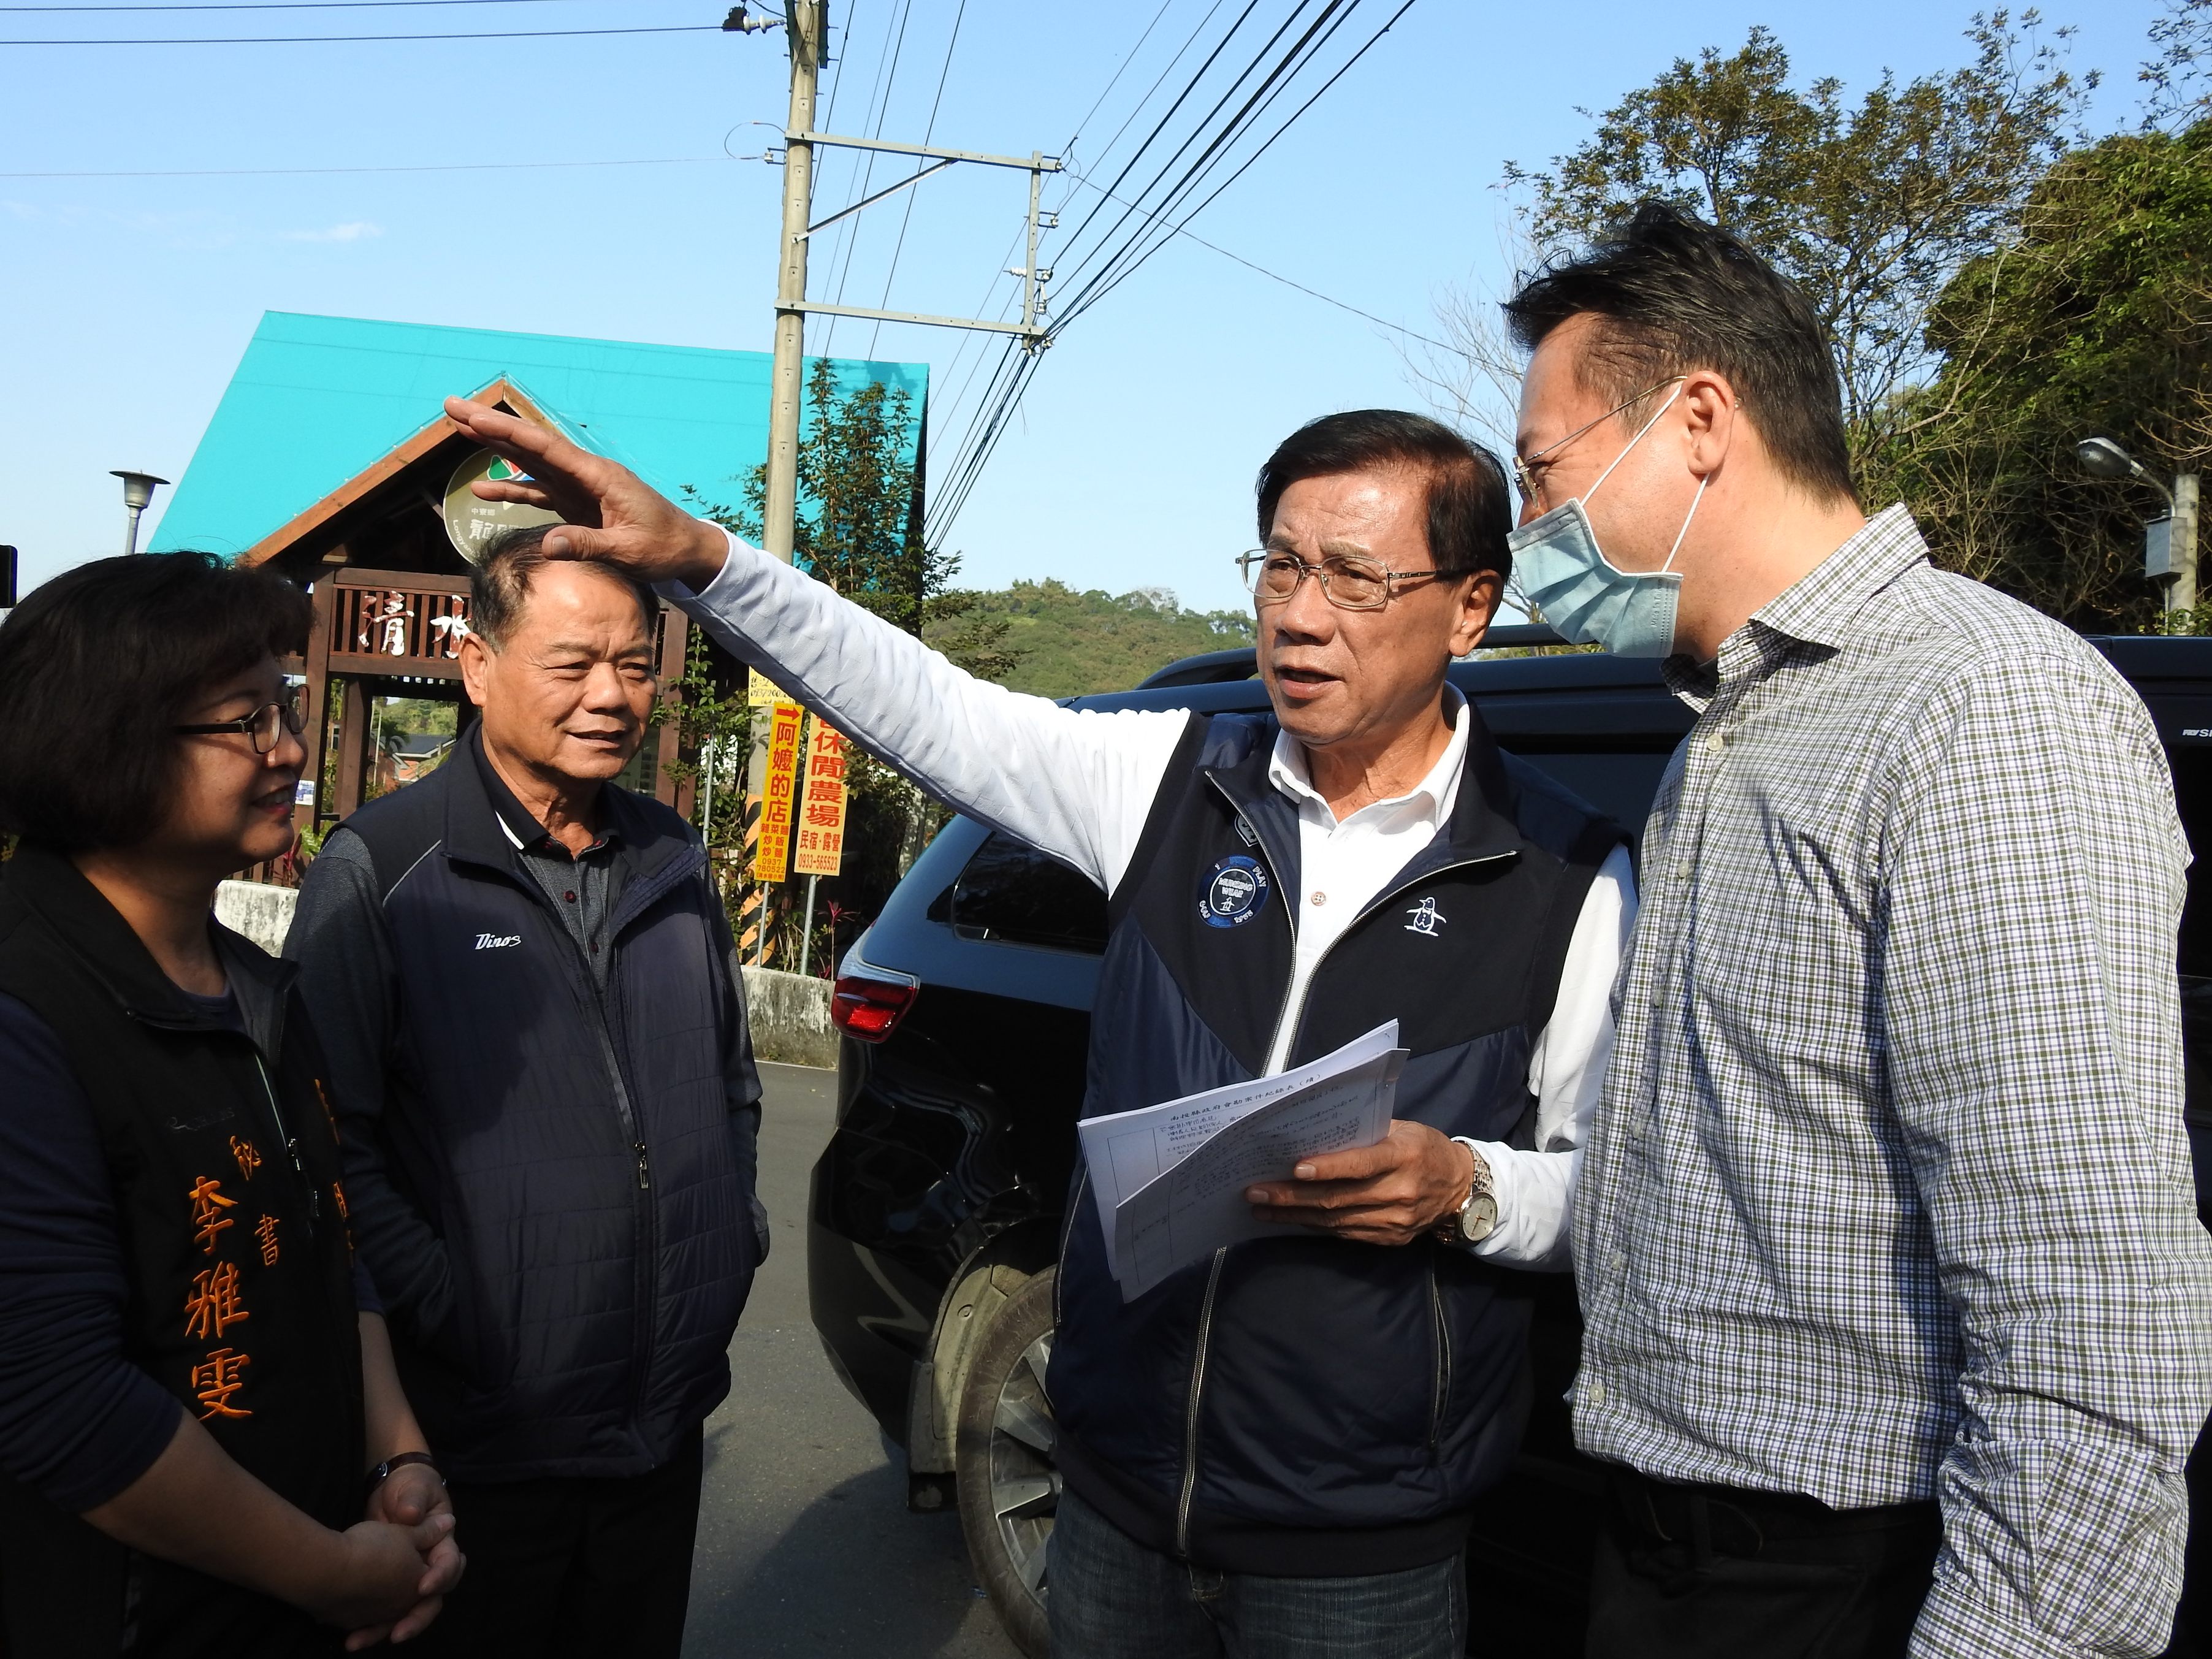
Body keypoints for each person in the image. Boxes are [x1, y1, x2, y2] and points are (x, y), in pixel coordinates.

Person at [436, 397, 1638, 1658]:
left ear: (1469, 606)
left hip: (1362, 1549)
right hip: (1112, 1496)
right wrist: (701, 557)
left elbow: (1615, 1199)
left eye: (1353, 576)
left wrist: (1466, 1188)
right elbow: (924, 704)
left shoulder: (1566, 874)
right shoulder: (1173, 781)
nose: (1298, 612)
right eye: (1281, 564)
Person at [1500, 200, 2212, 1657]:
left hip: (1844, 1572)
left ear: (1698, 420)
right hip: (1672, 1546)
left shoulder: (1980, 708)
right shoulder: (1734, 724)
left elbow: (2087, 1308)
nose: (1529, 533)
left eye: (1541, 472)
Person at [285, 527, 766, 1659]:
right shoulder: (383, 870)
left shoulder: (674, 860)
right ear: (477, 663)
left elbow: (733, 1083)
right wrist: (455, 1308)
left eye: (634, 665)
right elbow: (326, 1144)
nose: (611, 695)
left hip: (659, 1428)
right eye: (572, 663)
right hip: (479, 1445)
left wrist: (729, 1239)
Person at [0, 552, 463, 1656]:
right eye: (247, 721)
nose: (290, 749)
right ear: (105, 741)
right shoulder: (26, 1010)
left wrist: (399, 1459)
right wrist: (333, 1573)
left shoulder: (259, 988)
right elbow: (63, 1403)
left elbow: (330, 1240)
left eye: (285, 708)